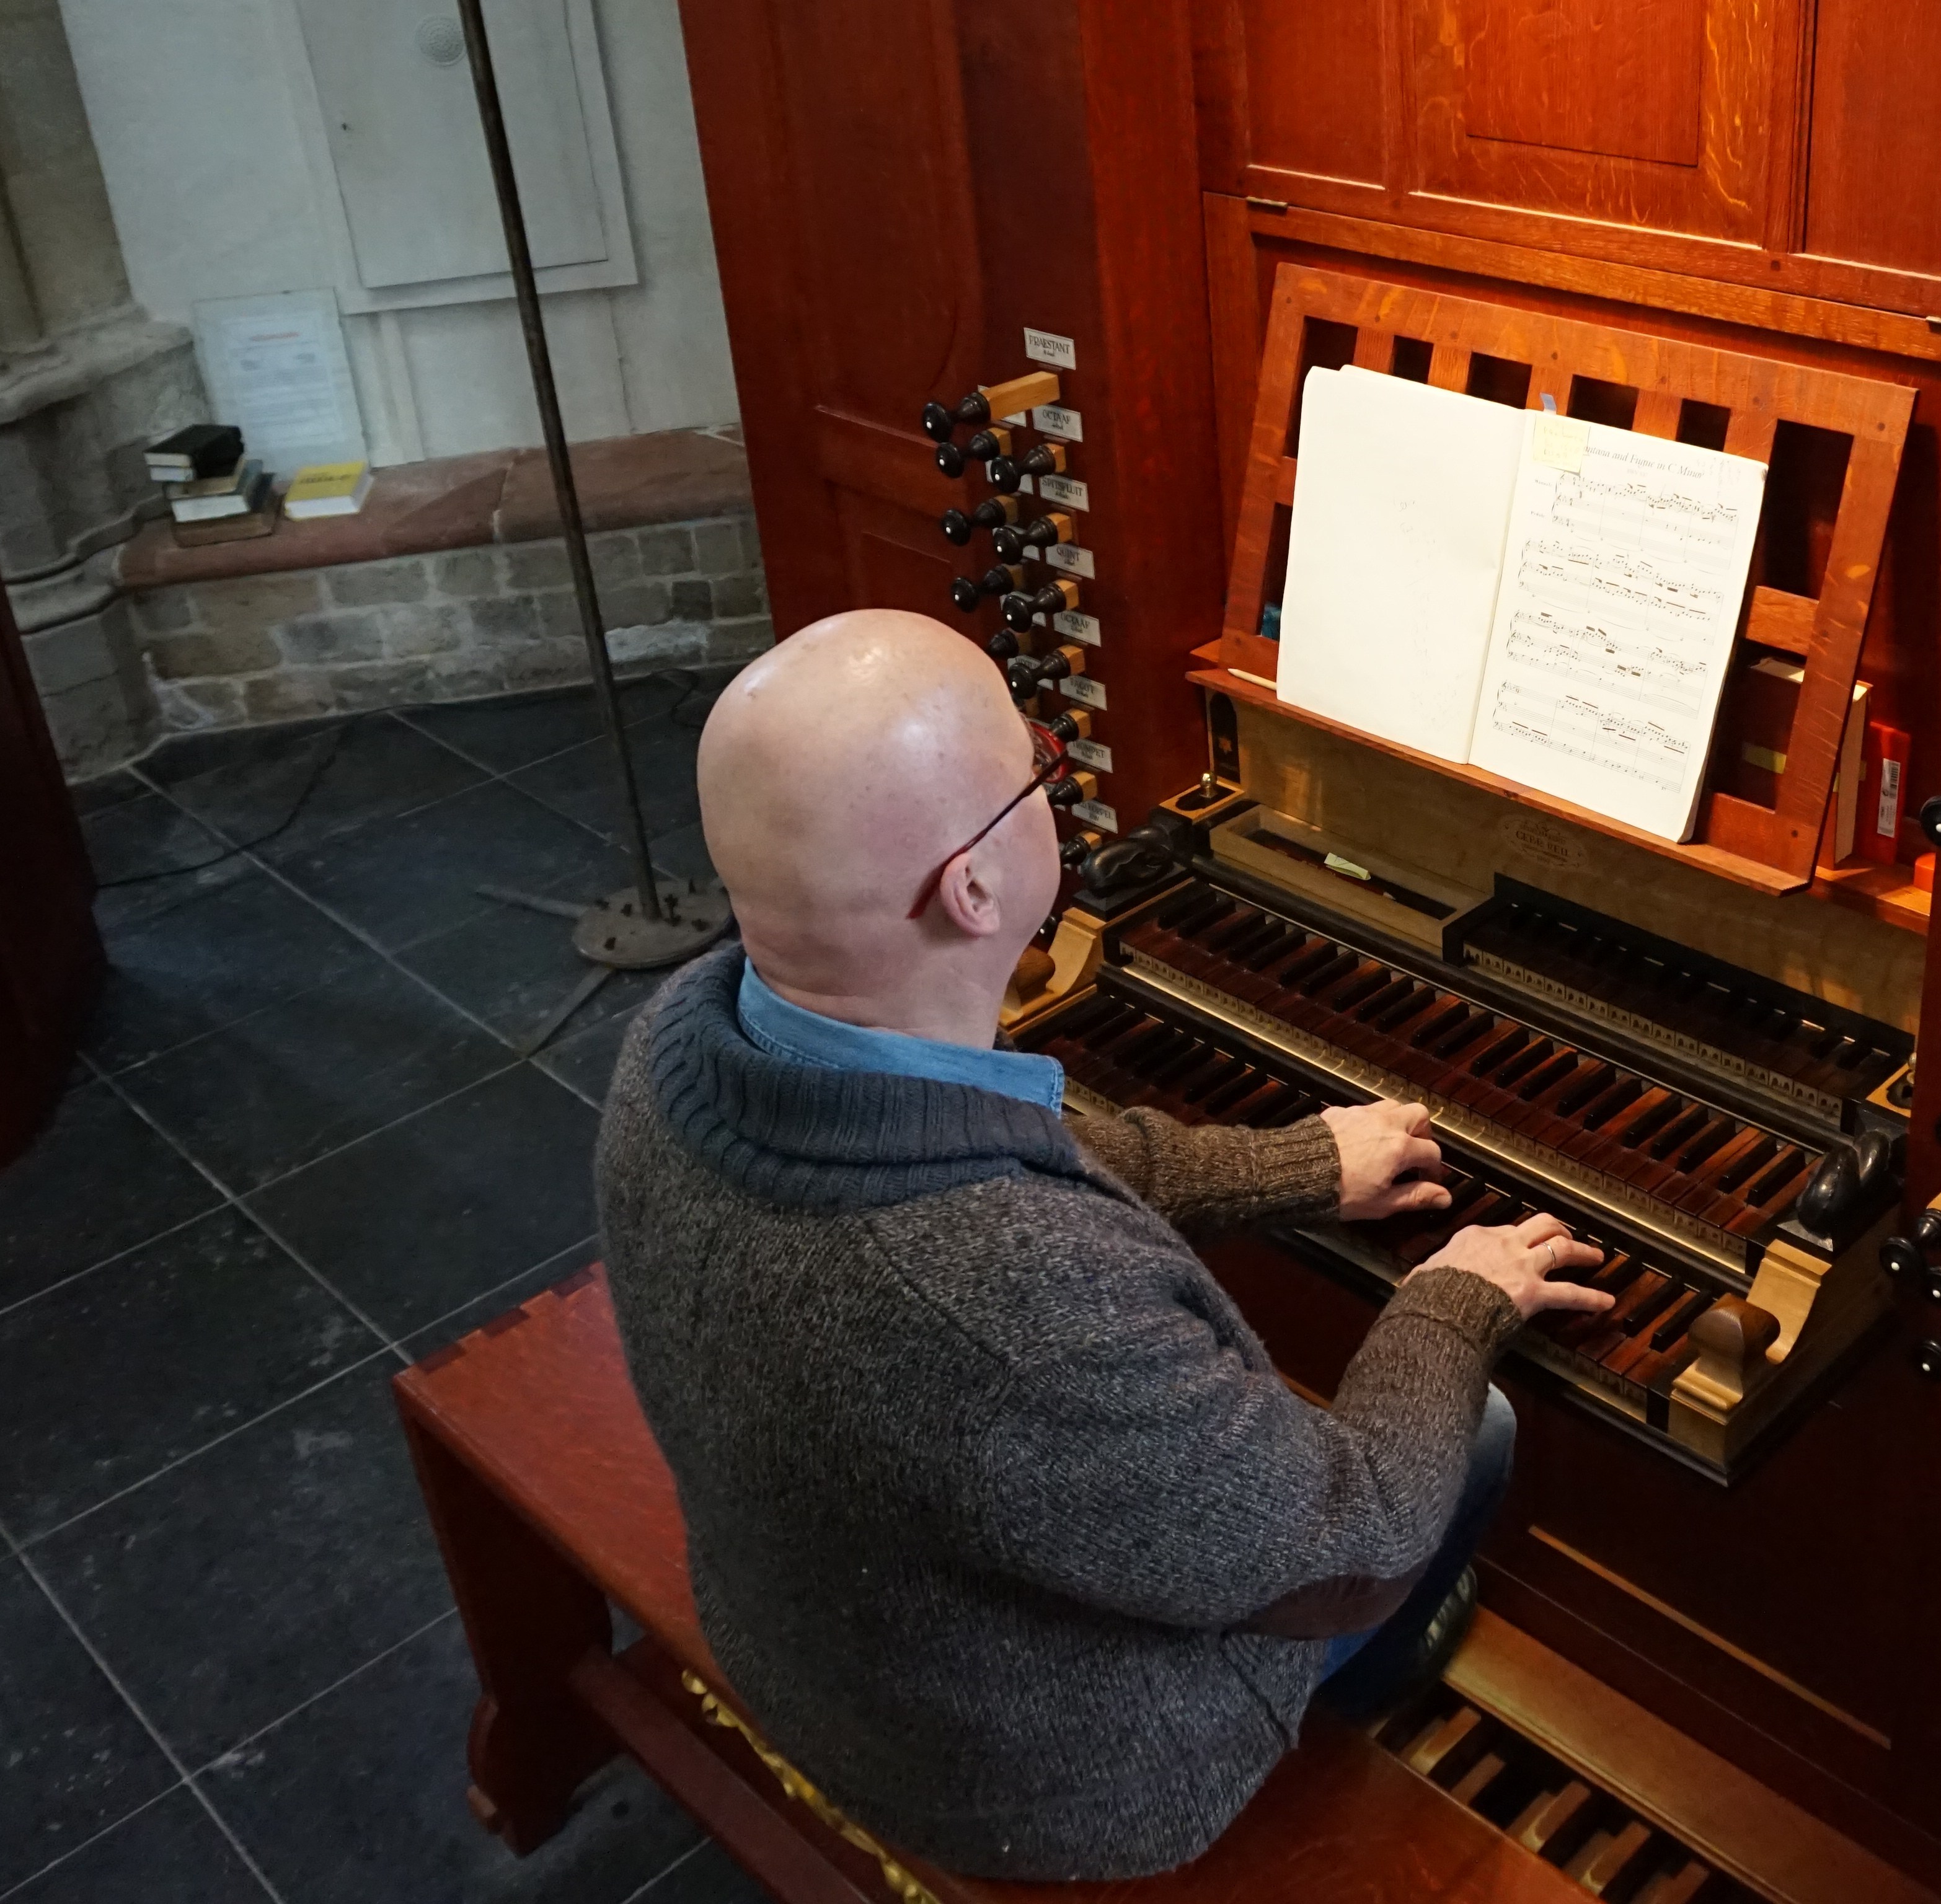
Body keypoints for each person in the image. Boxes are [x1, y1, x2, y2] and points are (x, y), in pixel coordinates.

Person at [595, 610, 1612, 1881]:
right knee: (1480, 1430)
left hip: (805, 1628)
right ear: (971, 890)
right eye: (1040, 775)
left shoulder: (679, 1046)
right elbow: (1347, 1540)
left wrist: (1301, 1165)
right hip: (1043, 1778)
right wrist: (1455, 1297)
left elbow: (1014, 1142)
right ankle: (1357, 1699)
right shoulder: (1003, 1293)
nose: (1058, 796)